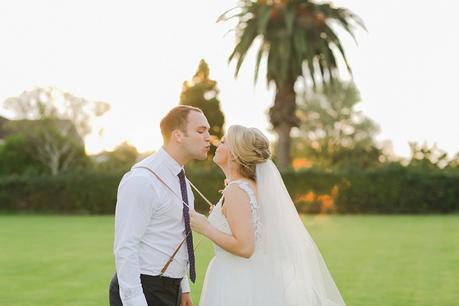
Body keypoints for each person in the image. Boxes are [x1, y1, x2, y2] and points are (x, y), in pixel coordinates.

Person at [190, 125, 346, 306]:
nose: (217, 144)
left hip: (237, 279)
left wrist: (205, 227)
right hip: (256, 275)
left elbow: (245, 248)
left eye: (224, 142)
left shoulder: (237, 190)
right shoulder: (250, 187)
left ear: (235, 153)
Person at [109, 105, 211, 306]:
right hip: (143, 289)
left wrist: (183, 288)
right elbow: (125, 247)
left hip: (171, 290)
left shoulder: (182, 181)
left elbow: (176, 235)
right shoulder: (142, 180)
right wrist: (135, 302)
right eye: (201, 131)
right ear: (178, 135)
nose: (209, 137)